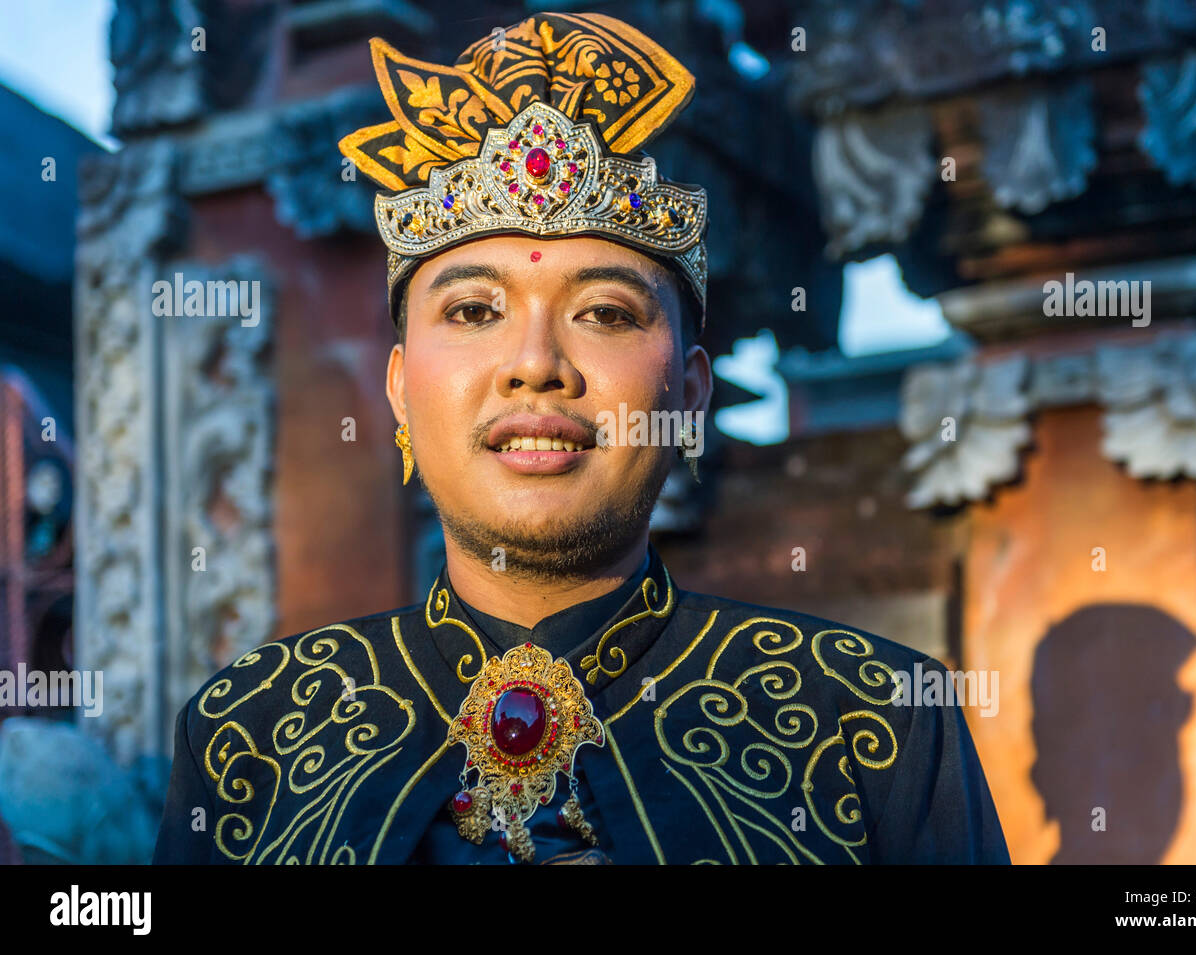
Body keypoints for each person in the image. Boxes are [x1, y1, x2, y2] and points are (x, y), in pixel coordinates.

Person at [152, 11, 1009, 865]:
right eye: (474, 310)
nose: (535, 365)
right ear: (401, 392)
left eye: (603, 312)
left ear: (691, 393)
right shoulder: (252, 735)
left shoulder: (874, 723)